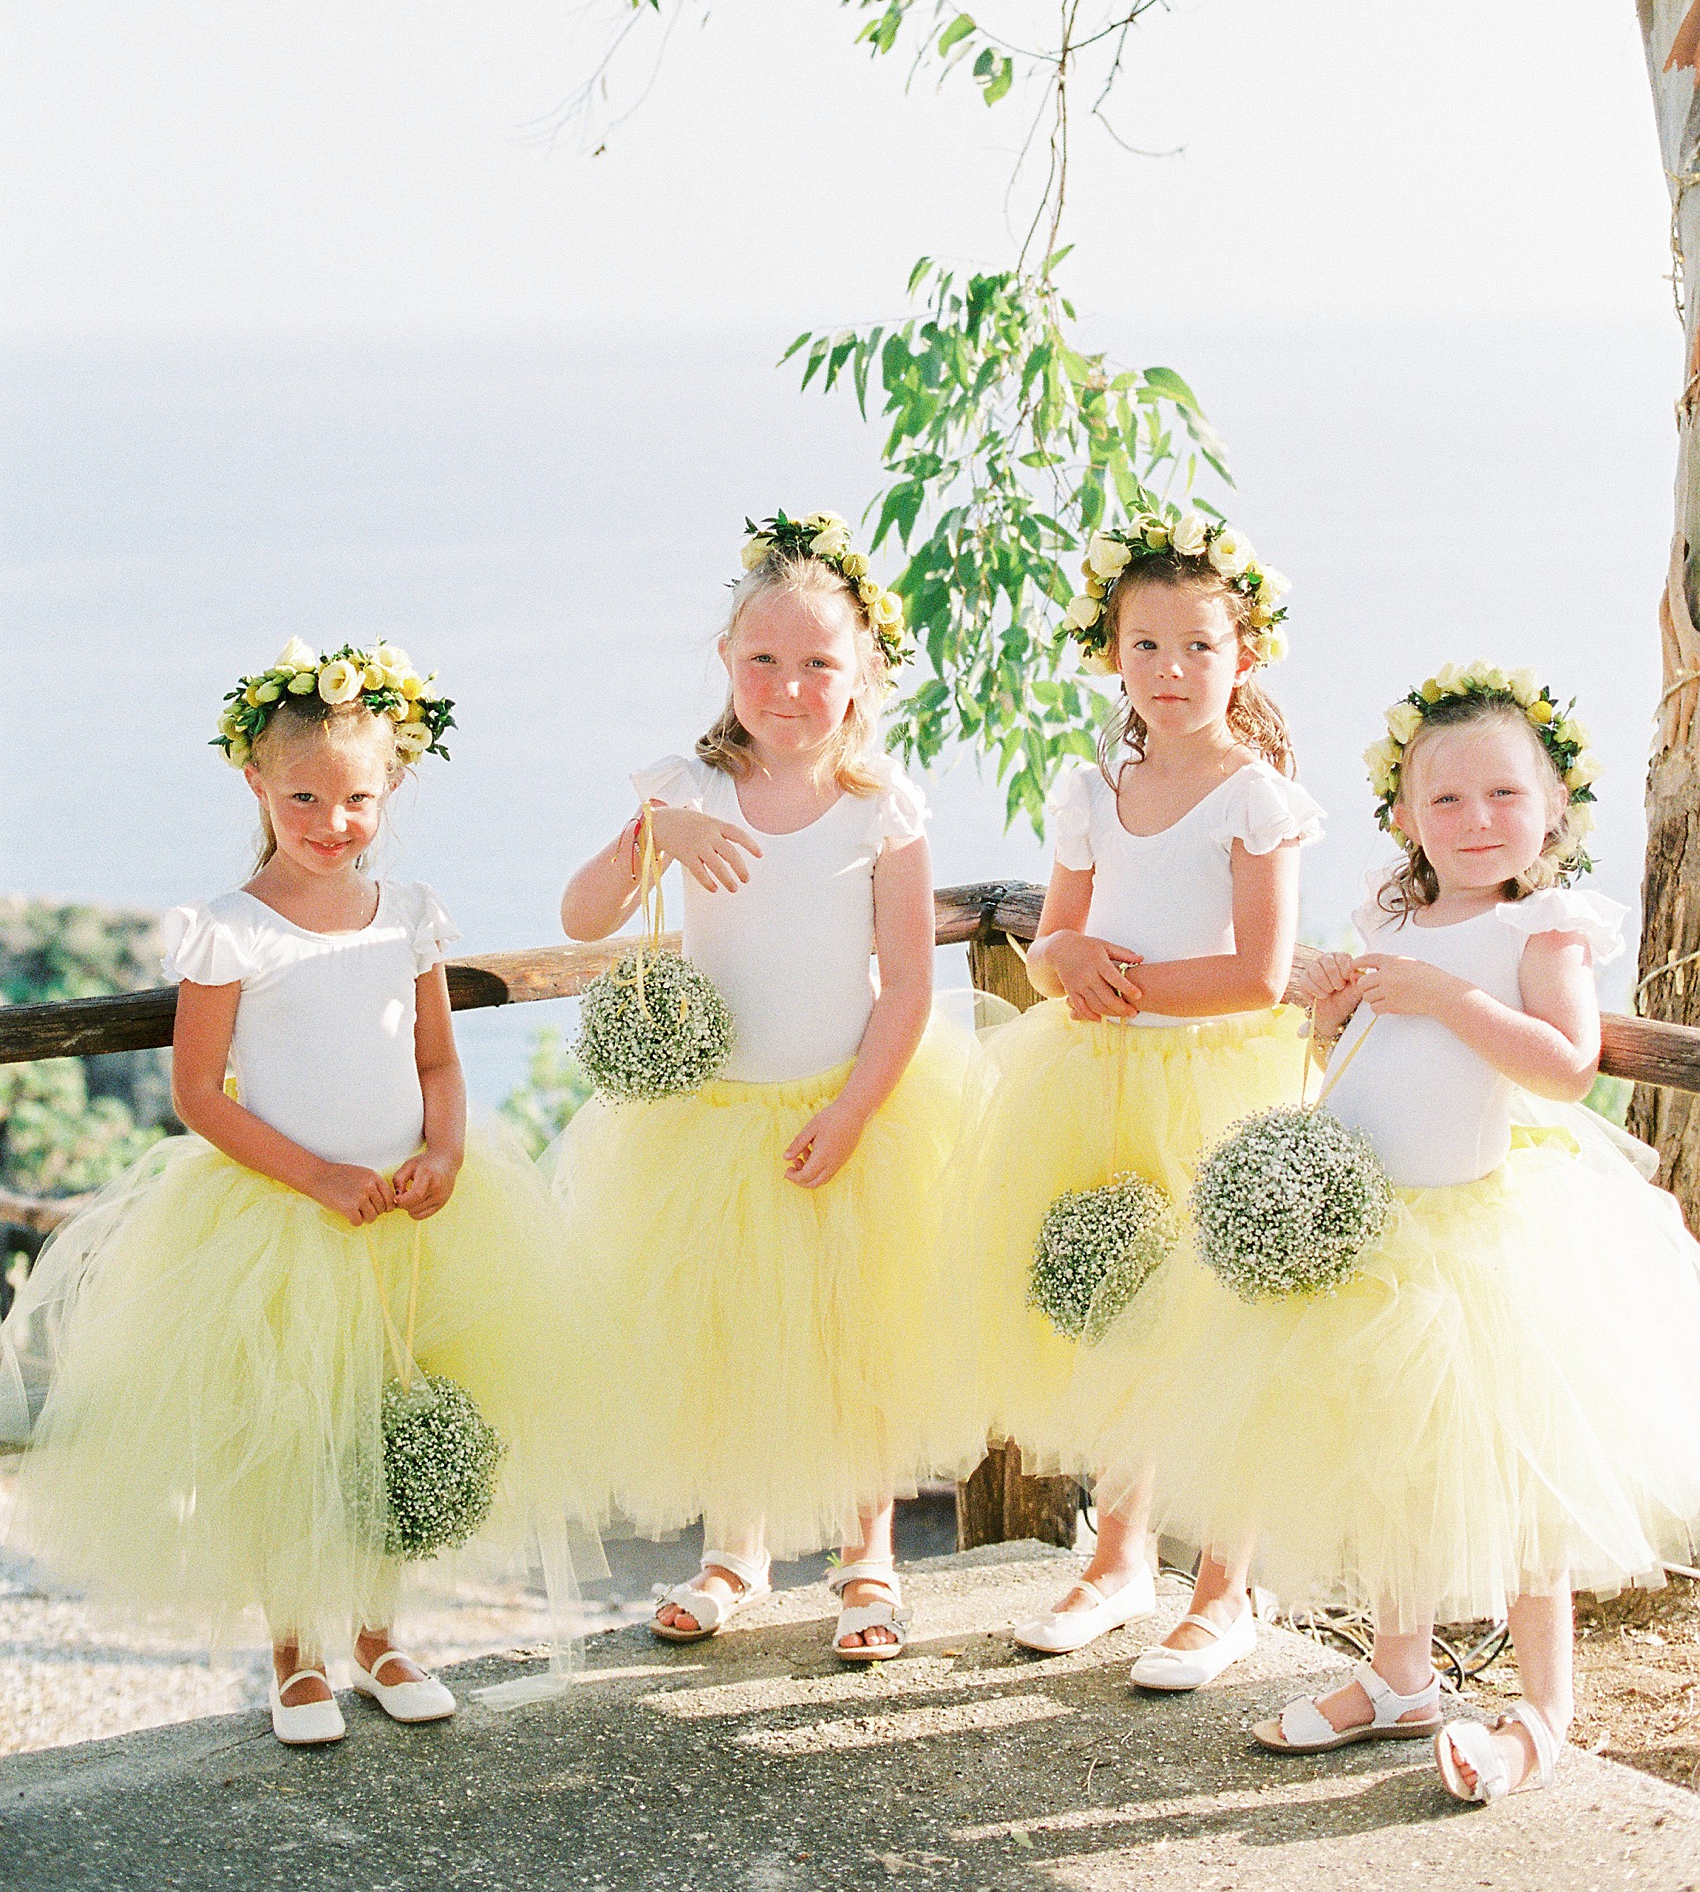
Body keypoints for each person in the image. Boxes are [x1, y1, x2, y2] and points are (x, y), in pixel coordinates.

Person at [1082, 666, 1700, 1801]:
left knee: (1511, 1479)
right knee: (1387, 1467)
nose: (1475, 822)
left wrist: (1440, 995)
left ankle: (1543, 1707)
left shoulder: (1542, 925)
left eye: (1503, 796)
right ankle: (1398, 1672)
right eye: (1445, 801)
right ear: (1405, 815)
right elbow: (1351, 1061)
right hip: (1364, 1233)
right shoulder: (1391, 910)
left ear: (1553, 805)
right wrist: (1333, 1011)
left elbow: (1562, 1069)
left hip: (1471, 1243)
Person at [2, 641, 593, 1746]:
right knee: (290, 1436)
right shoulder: (232, 925)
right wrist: (314, 1173)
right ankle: (294, 1653)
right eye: (304, 795)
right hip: (279, 1217)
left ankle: (377, 1630)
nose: (331, 820)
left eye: (357, 796)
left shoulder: (406, 910)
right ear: (257, 787)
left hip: (407, 1216)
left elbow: (436, 1062)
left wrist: (447, 1153)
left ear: (395, 786)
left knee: (382, 1418)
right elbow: (196, 1091)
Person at [554, 513, 962, 1662]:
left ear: (861, 673)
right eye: (763, 661)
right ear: (727, 668)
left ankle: (867, 1552)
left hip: (848, 1103)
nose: (788, 686)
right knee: (730, 1338)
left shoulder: (882, 806)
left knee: (854, 1338)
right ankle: (735, 1549)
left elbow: (907, 987)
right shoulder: (686, 786)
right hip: (712, 1122)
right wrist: (655, 833)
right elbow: (581, 917)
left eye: (818, 663)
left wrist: (850, 1110)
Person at [957, 512, 1319, 1686]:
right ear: (1111, 652)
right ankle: (1116, 1560)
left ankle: (1223, 1587)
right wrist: (1060, 961)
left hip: (1216, 1078)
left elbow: (1261, 972)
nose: (1171, 670)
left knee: (1224, 1327)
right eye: (1146, 644)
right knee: (1120, 1308)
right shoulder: (1094, 783)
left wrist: (1124, 980)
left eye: (1198, 647)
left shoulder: (1254, 797)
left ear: (1241, 659)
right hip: (1098, 1075)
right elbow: (1055, 926)